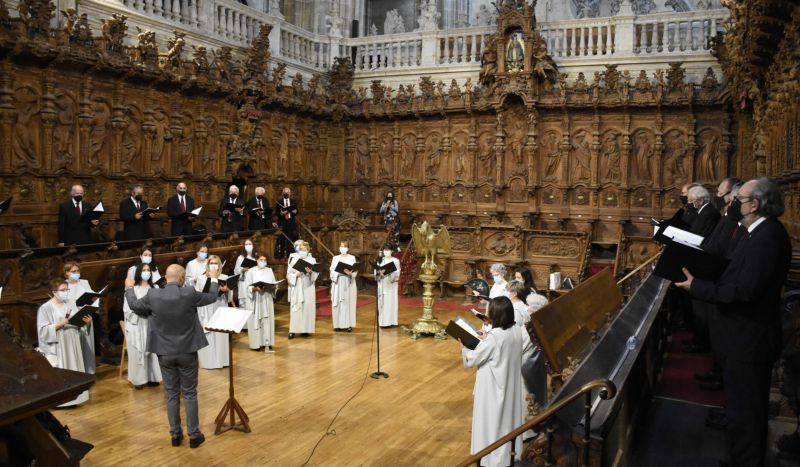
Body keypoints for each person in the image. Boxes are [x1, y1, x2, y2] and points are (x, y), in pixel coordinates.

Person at [676, 177, 791, 467]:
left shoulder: (768, 238)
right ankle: (740, 457)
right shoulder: (756, 233)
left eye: (740, 200)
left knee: (748, 412)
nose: (735, 204)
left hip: (751, 338)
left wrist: (698, 287)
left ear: (755, 204)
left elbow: (744, 290)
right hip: (742, 336)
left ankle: (746, 461)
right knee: (740, 408)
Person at [124, 263, 221, 449]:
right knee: (190, 393)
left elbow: (134, 305)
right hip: (187, 351)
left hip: (165, 352)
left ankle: (175, 435)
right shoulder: (189, 293)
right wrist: (214, 277)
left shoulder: (153, 295)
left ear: (166, 277)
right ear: (182, 278)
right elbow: (212, 296)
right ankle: (194, 435)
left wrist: (129, 288)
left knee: (171, 394)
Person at [461, 296, 527, 467]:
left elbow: (472, 359)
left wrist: (465, 346)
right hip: (509, 384)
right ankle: (508, 456)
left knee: (491, 422)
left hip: (493, 388)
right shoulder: (516, 330)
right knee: (507, 420)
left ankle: (491, 459)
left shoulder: (494, 337)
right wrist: (486, 337)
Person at [37, 279, 94, 407]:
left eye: (67, 290)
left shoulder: (71, 304)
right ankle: (62, 401)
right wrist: (59, 324)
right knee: (63, 370)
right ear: (54, 292)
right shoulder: (45, 308)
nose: (66, 293)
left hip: (73, 341)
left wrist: (87, 323)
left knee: (75, 368)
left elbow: (79, 324)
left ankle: (77, 398)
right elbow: (42, 331)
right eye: (63, 290)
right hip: (59, 344)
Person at [123, 262, 163, 389]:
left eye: (148, 270)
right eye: (144, 270)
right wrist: (141, 315)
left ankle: (153, 377)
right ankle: (139, 380)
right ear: (139, 272)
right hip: (137, 324)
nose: (146, 272)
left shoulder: (155, 288)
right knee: (137, 352)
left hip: (151, 323)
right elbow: (127, 309)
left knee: (152, 352)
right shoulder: (132, 289)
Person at [194, 255, 231, 369]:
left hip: (220, 307)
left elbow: (230, 295)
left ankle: (222, 360)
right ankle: (208, 362)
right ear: (208, 264)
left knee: (221, 333)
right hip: (207, 308)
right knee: (209, 334)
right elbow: (197, 295)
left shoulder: (224, 277)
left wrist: (226, 290)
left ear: (219, 265)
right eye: (211, 263)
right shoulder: (201, 278)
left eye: (216, 263)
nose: (213, 265)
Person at [63, 261, 97, 373]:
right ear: (67, 273)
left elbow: (93, 296)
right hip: (72, 318)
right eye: (73, 271)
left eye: (78, 271)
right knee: (75, 347)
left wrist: (94, 299)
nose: (76, 273)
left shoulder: (84, 282)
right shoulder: (64, 285)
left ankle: (89, 371)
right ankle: (78, 372)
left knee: (88, 345)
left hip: (85, 316)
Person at [245, 255, 277, 351]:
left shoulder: (269, 270)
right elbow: (247, 286)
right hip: (256, 300)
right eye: (261, 259)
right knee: (257, 321)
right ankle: (256, 344)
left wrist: (273, 287)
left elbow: (273, 283)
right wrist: (255, 289)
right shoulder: (251, 271)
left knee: (267, 321)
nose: (263, 261)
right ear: (257, 260)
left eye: (265, 260)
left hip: (267, 298)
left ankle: (268, 342)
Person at [287, 241, 318, 338]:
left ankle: (305, 329)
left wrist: (310, 272)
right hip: (297, 286)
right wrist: (296, 275)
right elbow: (288, 274)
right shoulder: (294, 259)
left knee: (307, 307)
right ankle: (293, 330)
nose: (302, 251)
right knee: (296, 308)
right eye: (300, 249)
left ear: (308, 250)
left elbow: (315, 274)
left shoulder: (312, 260)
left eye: (304, 250)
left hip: (307, 287)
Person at [330, 240, 357, 332]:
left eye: (345, 246)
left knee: (348, 304)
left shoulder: (352, 258)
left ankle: (348, 325)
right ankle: (337, 325)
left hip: (348, 283)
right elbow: (332, 270)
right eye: (341, 246)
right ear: (339, 248)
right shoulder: (335, 258)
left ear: (348, 248)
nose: (343, 248)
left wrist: (350, 273)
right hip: (338, 283)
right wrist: (337, 273)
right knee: (338, 304)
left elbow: (355, 270)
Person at [376, 243, 400, 328]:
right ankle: (383, 322)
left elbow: (397, 273)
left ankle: (392, 321)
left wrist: (390, 272)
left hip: (391, 285)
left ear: (392, 251)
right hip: (382, 284)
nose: (386, 251)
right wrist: (379, 273)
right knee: (382, 303)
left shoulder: (396, 260)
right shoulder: (380, 260)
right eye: (385, 250)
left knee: (390, 303)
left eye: (388, 250)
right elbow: (376, 272)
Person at [274, 187, 299, 259]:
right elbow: (276, 213)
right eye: (285, 193)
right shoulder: (279, 202)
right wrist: (281, 213)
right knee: (281, 239)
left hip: (291, 222)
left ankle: (289, 256)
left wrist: (295, 211)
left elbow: (297, 211)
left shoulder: (293, 201)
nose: (286, 194)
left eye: (288, 193)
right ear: (282, 194)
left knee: (289, 239)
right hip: (282, 222)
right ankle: (281, 256)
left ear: (290, 194)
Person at [233, 239, 257, 311]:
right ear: (244, 246)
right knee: (244, 306)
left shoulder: (256, 257)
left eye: (250, 244)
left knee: (253, 305)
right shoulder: (240, 258)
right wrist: (242, 270)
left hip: (253, 282)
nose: (248, 246)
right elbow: (235, 271)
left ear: (253, 246)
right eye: (246, 244)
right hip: (243, 283)